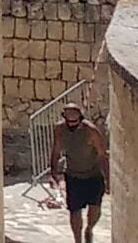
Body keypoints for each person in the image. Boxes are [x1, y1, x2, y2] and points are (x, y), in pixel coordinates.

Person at [47, 100, 108, 241]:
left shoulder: (90, 130)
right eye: (69, 122)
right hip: (73, 175)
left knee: (95, 208)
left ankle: (89, 229)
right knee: (74, 210)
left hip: (93, 175)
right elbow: (56, 151)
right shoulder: (59, 130)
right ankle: (78, 240)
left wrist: (107, 179)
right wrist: (53, 171)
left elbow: (102, 155)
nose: (72, 125)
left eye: (75, 122)